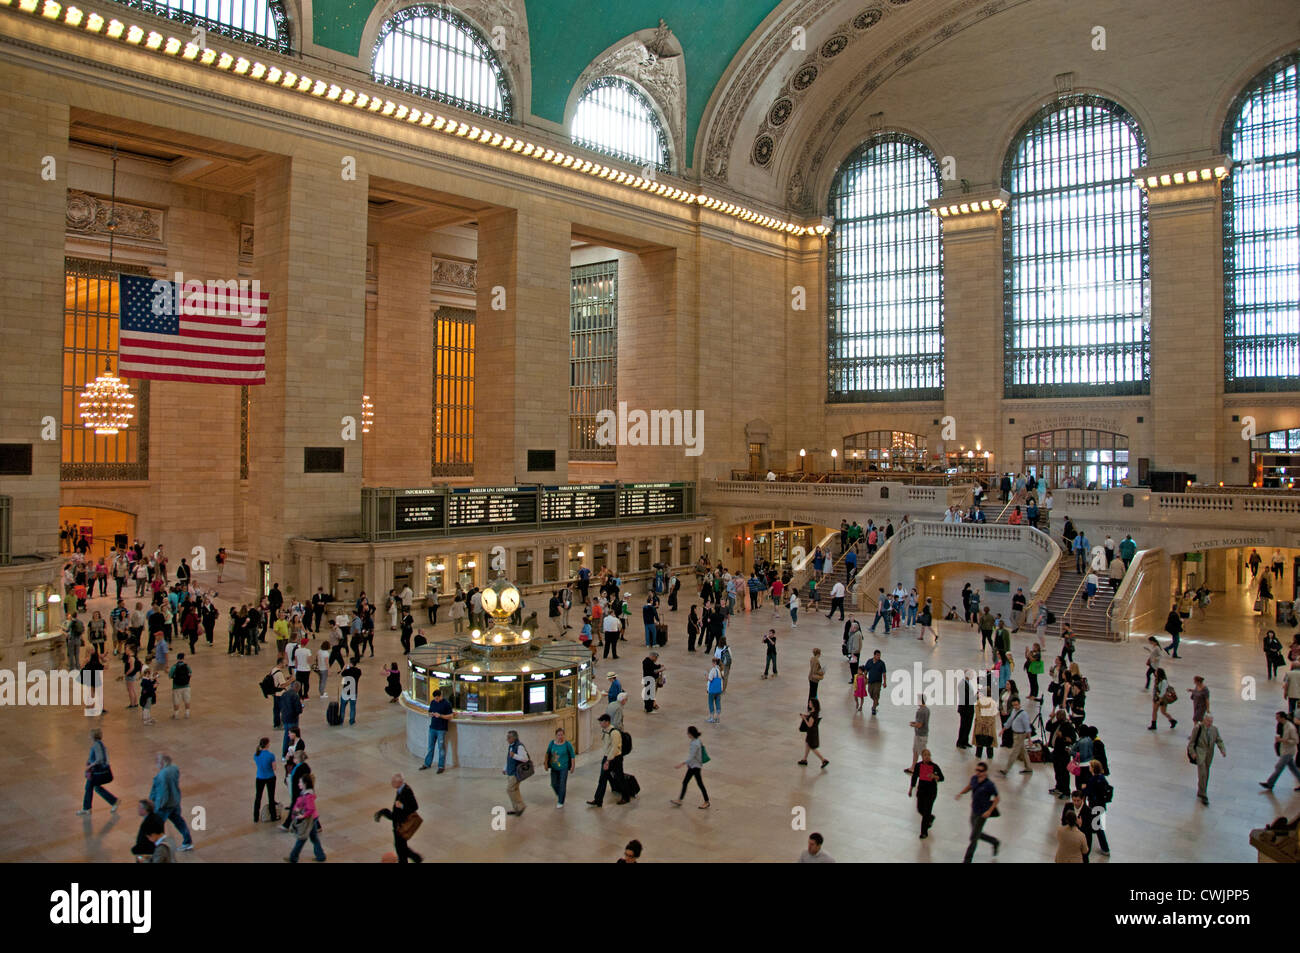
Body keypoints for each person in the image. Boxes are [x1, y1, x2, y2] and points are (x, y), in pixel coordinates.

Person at [148, 753, 193, 851]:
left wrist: (157, 806)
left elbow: (163, 792)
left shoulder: (162, 775)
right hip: (175, 801)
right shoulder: (174, 768)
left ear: (163, 762)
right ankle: (187, 841)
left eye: (158, 762)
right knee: (179, 822)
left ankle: (158, 845)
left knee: (156, 825)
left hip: (165, 805)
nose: (156, 764)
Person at [957, 762, 1000, 862]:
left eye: (980, 771)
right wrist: (961, 793)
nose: (978, 772)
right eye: (976, 770)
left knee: (973, 838)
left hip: (982, 814)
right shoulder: (974, 779)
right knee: (977, 834)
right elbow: (969, 786)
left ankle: (967, 859)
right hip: (974, 811)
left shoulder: (989, 784)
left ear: (985, 772)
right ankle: (994, 842)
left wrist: (989, 811)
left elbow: (997, 798)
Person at [374, 773, 422, 863]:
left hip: (402, 825)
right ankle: (415, 858)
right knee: (400, 847)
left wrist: (402, 806)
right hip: (398, 823)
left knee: (401, 848)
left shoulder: (407, 791)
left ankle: (416, 858)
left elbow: (415, 806)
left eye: (393, 781)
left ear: (399, 782)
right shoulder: (400, 790)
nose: (391, 783)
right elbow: (396, 814)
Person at [588, 713, 627, 807]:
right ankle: (598, 800)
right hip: (607, 757)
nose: (600, 724)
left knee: (619, 777)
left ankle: (625, 796)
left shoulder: (614, 733)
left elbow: (614, 748)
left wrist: (608, 761)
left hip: (615, 758)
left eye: (601, 722)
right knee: (602, 779)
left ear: (607, 722)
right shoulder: (605, 731)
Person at [77, 728, 119, 816]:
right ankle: (114, 801)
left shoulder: (96, 745)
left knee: (89, 787)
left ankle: (87, 808)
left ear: (93, 736)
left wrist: (90, 766)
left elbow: (99, 759)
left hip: (98, 773)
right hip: (100, 773)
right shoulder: (100, 745)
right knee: (95, 787)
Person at [1188, 714, 1227, 805]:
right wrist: (1193, 753)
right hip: (1200, 753)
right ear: (1204, 720)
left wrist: (1222, 750)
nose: (1210, 723)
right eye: (1208, 721)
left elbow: (1219, 740)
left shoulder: (1214, 729)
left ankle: (1201, 790)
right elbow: (1191, 743)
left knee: (1206, 773)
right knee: (1202, 773)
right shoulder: (1197, 728)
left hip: (1209, 754)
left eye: (1211, 722)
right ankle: (1203, 794)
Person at [1258, 711, 1300, 792]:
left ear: (1282, 718)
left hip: (1289, 751)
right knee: (1293, 768)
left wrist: (1283, 740)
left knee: (1279, 767)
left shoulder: (1290, 727)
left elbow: (1296, 740)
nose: (1276, 719)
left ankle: (1270, 783)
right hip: (1285, 750)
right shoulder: (1283, 725)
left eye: (1277, 717)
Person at [671, 725, 710, 809]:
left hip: (695, 767)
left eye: (688, 733)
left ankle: (706, 801)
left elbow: (692, 756)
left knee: (699, 784)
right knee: (686, 782)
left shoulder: (695, 744)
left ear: (691, 734)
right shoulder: (696, 741)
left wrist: (682, 763)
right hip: (693, 766)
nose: (687, 734)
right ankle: (680, 800)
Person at [908, 748, 944, 839]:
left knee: (927, 811)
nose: (927, 756)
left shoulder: (934, 766)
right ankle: (930, 818)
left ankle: (924, 832)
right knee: (920, 809)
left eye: (928, 755)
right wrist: (911, 788)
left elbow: (942, 778)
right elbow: (915, 777)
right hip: (921, 791)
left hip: (931, 791)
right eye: (925, 755)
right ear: (922, 756)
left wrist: (935, 776)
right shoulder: (918, 765)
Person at [419, 688, 453, 773]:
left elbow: (450, 716)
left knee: (441, 747)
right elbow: (429, 712)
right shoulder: (433, 702)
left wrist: (440, 715)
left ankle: (441, 766)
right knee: (430, 747)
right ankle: (427, 763)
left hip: (441, 729)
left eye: (437, 698)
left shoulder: (446, 704)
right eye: (435, 698)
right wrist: (431, 714)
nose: (436, 700)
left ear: (440, 696)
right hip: (432, 728)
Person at [999, 697, 1033, 775]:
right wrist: (1003, 730)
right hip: (1015, 734)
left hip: (1020, 735)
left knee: (1014, 752)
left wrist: (1030, 739)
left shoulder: (1024, 714)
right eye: (1014, 705)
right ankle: (1028, 767)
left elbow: (1027, 727)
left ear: (1019, 704)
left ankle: (1006, 770)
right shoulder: (1014, 711)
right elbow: (1010, 721)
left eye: (1016, 705)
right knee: (1023, 751)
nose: (1015, 707)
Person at [545, 727, 576, 808]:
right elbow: (547, 753)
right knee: (553, 784)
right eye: (558, 735)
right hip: (554, 767)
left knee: (562, 784)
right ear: (556, 735)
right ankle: (560, 794)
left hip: (564, 768)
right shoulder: (552, 743)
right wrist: (545, 764)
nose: (560, 736)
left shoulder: (567, 744)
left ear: (564, 735)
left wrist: (573, 766)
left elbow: (572, 756)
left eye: (562, 735)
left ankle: (561, 801)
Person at [504, 729, 529, 816]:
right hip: (510, 771)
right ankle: (517, 809)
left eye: (509, 737)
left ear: (514, 738)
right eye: (507, 737)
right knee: (514, 789)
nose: (507, 739)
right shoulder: (511, 745)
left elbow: (525, 759)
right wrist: (505, 768)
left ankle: (520, 806)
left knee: (510, 789)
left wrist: (514, 755)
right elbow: (509, 758)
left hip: (515, 773)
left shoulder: (519, 746)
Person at [797, 697, 828, 768]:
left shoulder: (813, 715)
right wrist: (806, 716)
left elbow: (809, 725)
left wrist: (804, 718)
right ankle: (804, 759)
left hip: (811, 733)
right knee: (808, 744)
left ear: (813, 704)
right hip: (813, 732)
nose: (809, 704)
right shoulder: (815, 713)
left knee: (812, 747)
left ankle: (823, 760)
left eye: (810, 703)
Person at [253, 737, 278, 823]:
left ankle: (255, 816)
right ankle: (273, 816)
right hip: (270, 777)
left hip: (260, 777)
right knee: (271, 797)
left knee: (258, 797)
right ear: (267, 744)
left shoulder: (256, 755)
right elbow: (274, 768)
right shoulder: (271, 755)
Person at [906, 697, 929, 773]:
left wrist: (912, 725)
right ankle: (913, 767)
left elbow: (920, 725)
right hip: (921, 734)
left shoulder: (921, 711)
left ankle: (925, 770)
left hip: (920, 735)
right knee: (915, 751)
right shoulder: (926, 709)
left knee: (923, 753)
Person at [861, 649, 886, 716]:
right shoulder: (869, 661)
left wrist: (884, 682)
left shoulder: (882, 663)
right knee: (870, 692)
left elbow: (884, 673)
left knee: (875, 693)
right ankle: (876, 702)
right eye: (877, 655)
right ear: (874, 655)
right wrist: (865, 677)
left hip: (878, 682)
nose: (879, 657)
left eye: (879, 655)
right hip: (870, 681)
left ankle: (874, 708)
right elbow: (866, 670)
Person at [168, 652, 191, 720]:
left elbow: (170, 676)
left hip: (176, 687)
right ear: (183, 658)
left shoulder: (174, 667)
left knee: (176, 701)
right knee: (187, 700)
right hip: (186, 686)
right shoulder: (186, 666)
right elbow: (190, 673)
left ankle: (176, 714)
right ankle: (187, 713)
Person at [706, 657, 723, 723]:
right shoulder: (719, 670)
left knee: (711, 703)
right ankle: (718, 718)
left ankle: (712, 718)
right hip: (718, 690)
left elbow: (710, 679)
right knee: (718, 702)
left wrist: (706, 675)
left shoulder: (713, 670)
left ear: (715, 663)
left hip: (712, 690)